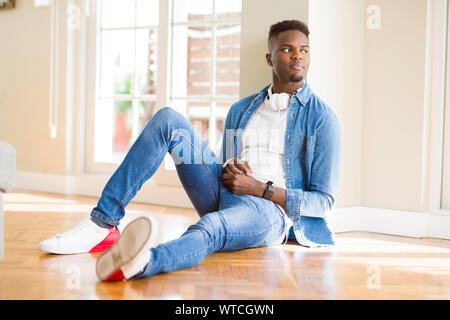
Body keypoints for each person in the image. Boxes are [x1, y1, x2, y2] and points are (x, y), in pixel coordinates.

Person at [39, 19, 342, 281]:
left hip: (269, 212)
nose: (297, 56)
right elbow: (226, 164)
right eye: (287, 49)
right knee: (168, 119)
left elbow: (324, 202)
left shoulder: (321, 119)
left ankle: (141, 263)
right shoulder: (242, 109)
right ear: (269, 57)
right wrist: (232, 167)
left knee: (210, 225)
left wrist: (261, 188)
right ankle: (102, 223)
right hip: (224, 192)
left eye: (304, 50)